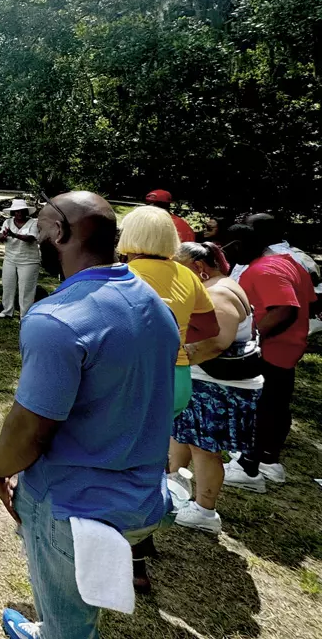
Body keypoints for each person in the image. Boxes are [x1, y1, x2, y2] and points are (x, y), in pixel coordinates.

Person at [0, 192, 179, 639]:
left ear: (58, 232)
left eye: (39, 224)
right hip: (146, 497)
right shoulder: (153, 303)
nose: (33, 232)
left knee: (68, 627)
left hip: (73, 506)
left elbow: (30, 430)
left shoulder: (56, 319)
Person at [167, 241, 262, 534]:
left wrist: (176, 360)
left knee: (204, 449)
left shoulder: (217, 293)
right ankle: (172, 487)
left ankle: (205, 510)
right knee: (181, 437)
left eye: (179, 270)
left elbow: (216, 342)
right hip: (206, 383)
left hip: (215, 386)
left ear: (199, 268)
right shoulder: (221, 285)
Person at [223, 223, 317, 492]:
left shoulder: (264, 270)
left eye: (228, 248)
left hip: (271, 349)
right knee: (277, 404)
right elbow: (309, 299)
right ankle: (268, 461)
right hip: (289, 348)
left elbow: (284, 310)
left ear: (240, 244)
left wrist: (253, 336)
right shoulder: (289, 262)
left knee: (260, 406)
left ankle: (248, 467)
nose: (227, 256)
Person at [117, 206, 218, 420]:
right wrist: (174, 338)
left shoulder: (124, 275)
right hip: (178, 379)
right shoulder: (187, 274)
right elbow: (210, 327)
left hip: (137, 379)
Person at [0, 199, 41, 318]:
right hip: (10, 258)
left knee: (26, 289)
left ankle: (24, 315)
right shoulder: (8, 222)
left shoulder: (33, 222)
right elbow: (0, 235)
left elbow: (31, 238)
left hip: (29, 261)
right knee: (8, 285)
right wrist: (3, 236)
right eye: (16, 211)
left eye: (21, 211)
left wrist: (14, 234)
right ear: (13, 212)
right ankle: (7, 311)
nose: (19, 213)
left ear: (26, 211)